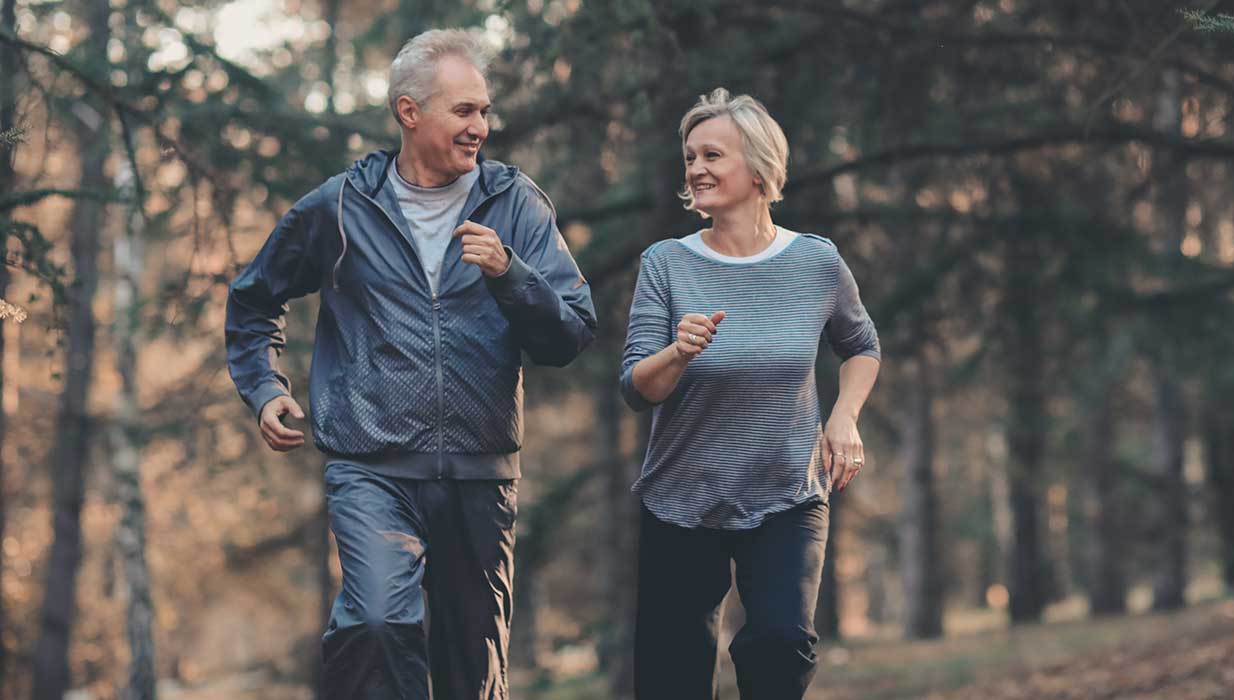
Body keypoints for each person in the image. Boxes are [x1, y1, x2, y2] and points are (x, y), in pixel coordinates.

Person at [224, 28, 595, 700]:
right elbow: (254, 300)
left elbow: (568, 336)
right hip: (372, 465)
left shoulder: (515, 205)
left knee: (471, 675)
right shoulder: (340, 207)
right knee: (373, 623)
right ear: (409, 111)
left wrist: (512, 275)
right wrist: (263, 386)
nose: (481, 126)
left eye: (484, 110)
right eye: (464, 111)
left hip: (481, 475)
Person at [620, 87, 882, 700]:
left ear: (759, 167)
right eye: (690, 157)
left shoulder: (816, 262)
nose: (696, 169)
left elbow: (862, 346)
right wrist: (678, 352)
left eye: (713, 155)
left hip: (785, 489)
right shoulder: (666, 264)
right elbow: (635, 388)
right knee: (670, 677)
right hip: (682, 495)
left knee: (779, 646)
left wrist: (844, 416)